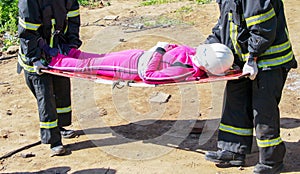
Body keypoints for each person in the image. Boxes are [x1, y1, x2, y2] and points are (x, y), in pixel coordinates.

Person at [203, 0, 298, 173]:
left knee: (263, 111)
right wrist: (206, 48)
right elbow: (225, 24)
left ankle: (272, 161)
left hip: (269, 61)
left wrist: (252, 57)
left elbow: (263, 26)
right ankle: (232, 150)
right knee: (235, 102)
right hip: (244, 59)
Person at [17, 0, 82, 155]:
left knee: (62, 91)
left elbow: (73, 16)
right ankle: (54, 140)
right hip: (36, 56)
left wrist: (71, 44)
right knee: (46, 98)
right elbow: (27, 30)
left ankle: (60, 128)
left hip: (57, 50)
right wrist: (35, 58)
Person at [39, 42, 234, 84]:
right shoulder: (194, 55)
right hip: (137, 55)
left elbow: (149, 77)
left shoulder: (184, 71)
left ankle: (54, 59)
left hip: (132, 67)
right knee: (98, 57)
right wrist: (165, 48)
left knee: (88, 67)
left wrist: (159, 51)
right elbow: (182, 48)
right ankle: (70, 53)